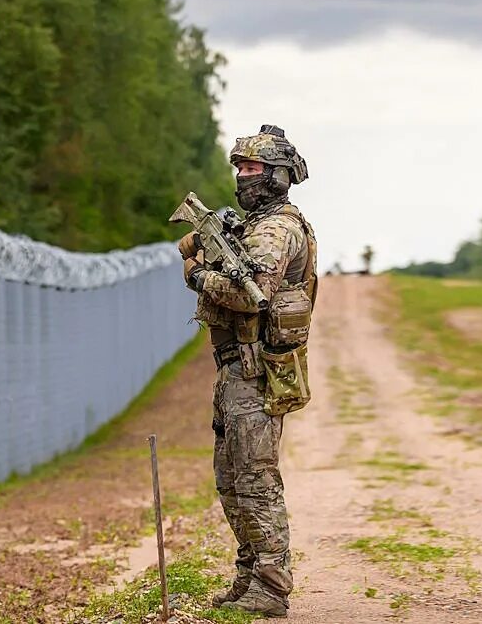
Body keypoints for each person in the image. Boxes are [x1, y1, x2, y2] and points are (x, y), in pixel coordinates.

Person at [178, 124, 318, 617]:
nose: (243, 176)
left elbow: (246, 294)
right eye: (239, 167)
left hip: (257, 371)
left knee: (255, 478)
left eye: (254, 168)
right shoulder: (254, 226)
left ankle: (273, 585)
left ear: (279, 176)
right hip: (237, 369)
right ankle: (250, 574)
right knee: (230, 476)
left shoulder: (278, 228)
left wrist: (197, 274)